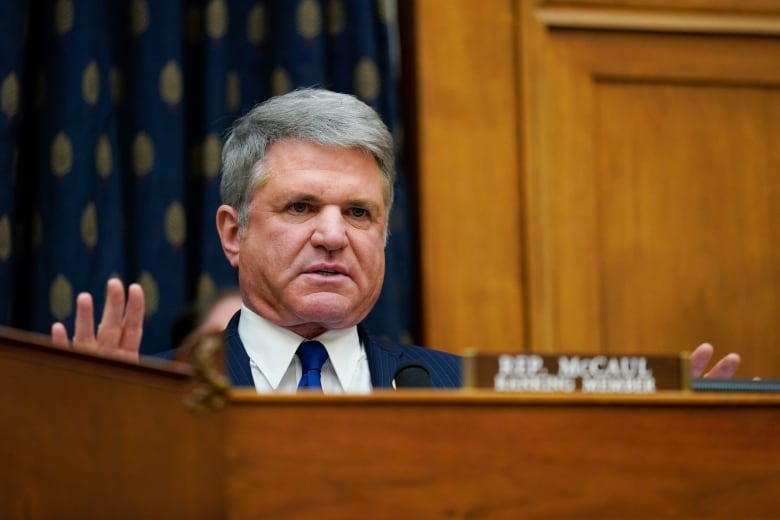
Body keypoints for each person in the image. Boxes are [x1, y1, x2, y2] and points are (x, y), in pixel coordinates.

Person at [50, 88, 741, 391]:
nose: (332, 235)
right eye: (300, 206)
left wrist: (665, 446)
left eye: (359, 213)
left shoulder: (460, 393)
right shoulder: (151, 394)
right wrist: (91, 432)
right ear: (233, 232)